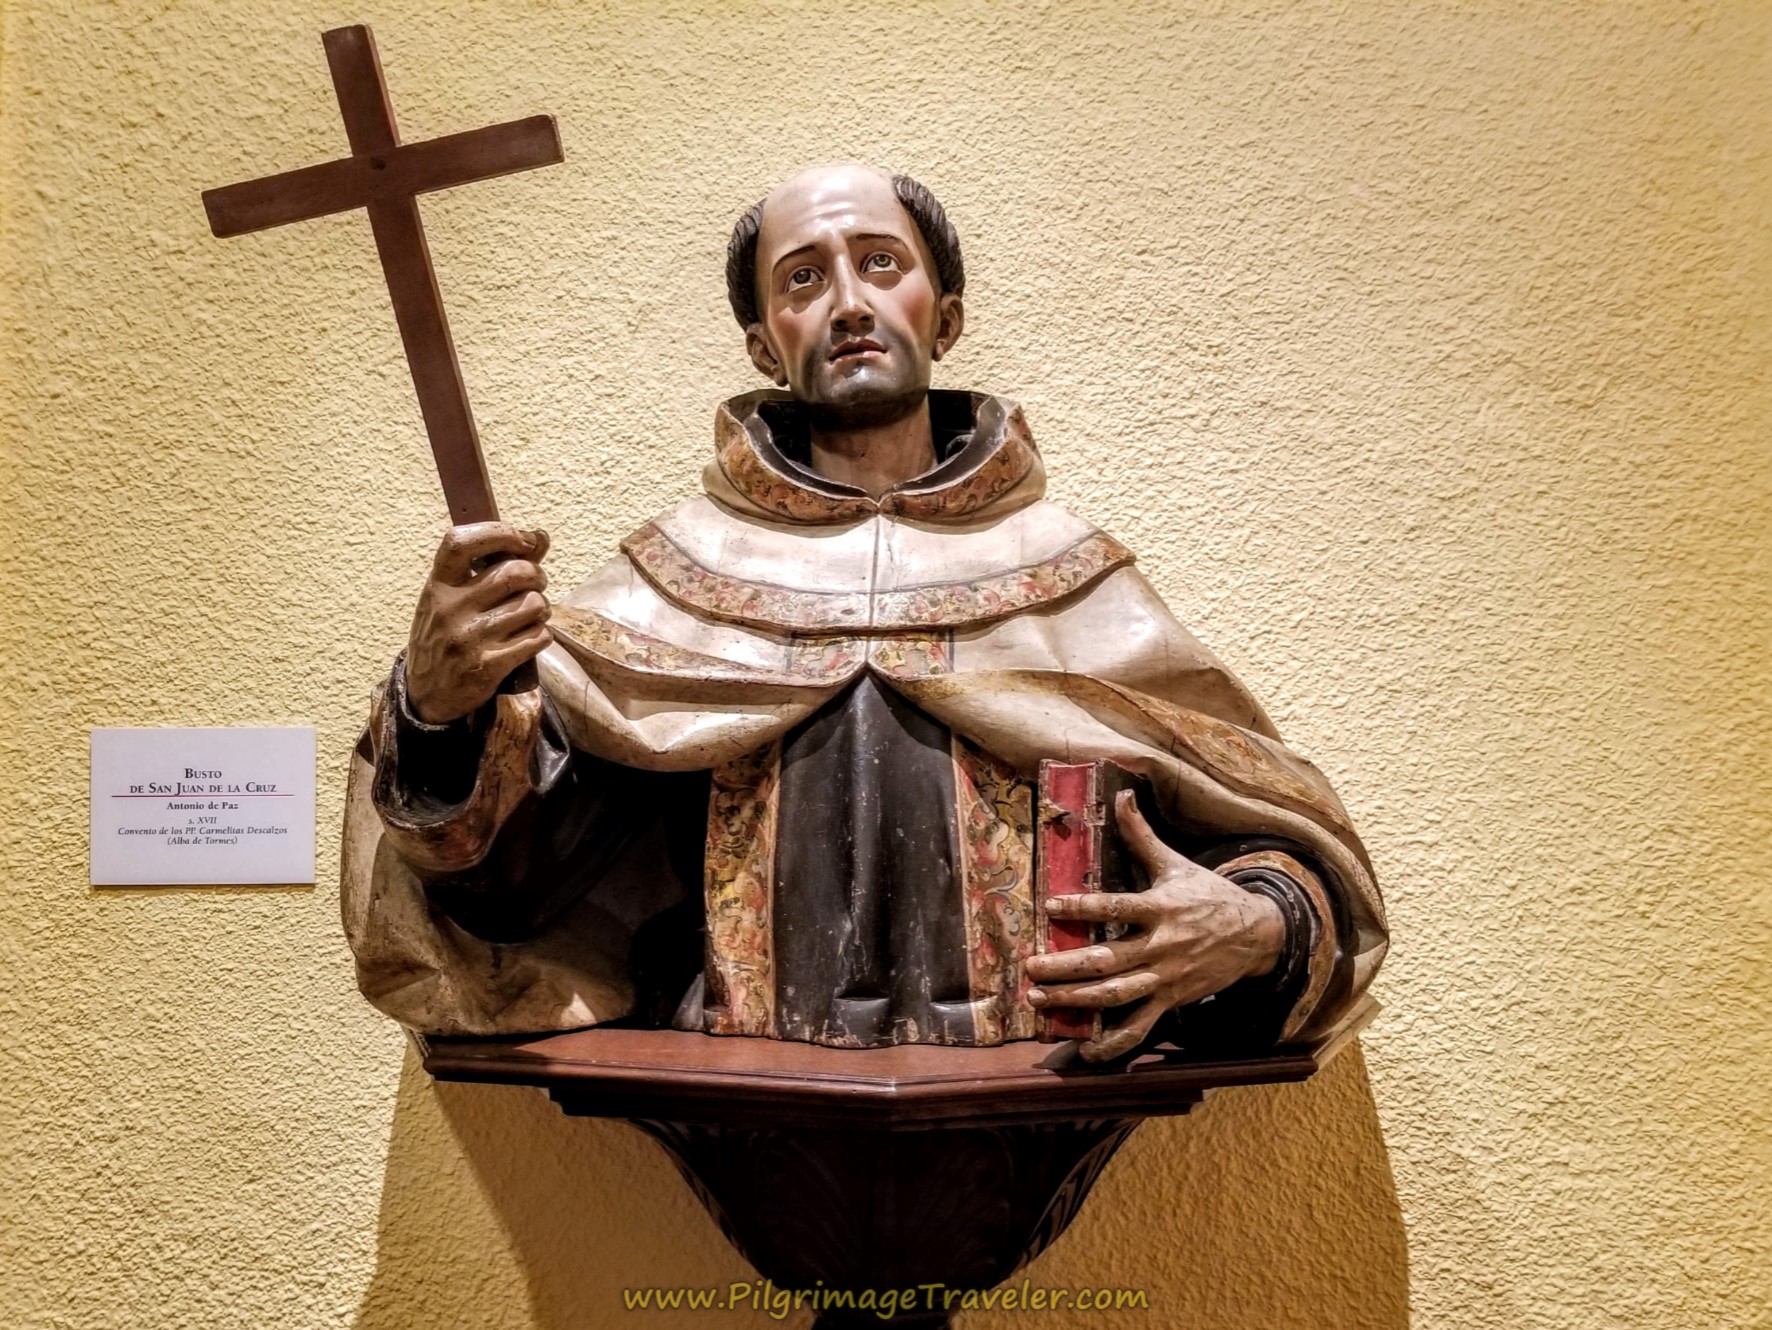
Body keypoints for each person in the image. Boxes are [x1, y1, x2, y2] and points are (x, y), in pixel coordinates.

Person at [340, 164, 1387, 1062]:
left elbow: (1264, 824)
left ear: (947, 313)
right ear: (761, 342)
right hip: (742, 1079)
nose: (846, 300)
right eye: (803, 279)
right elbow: (516, 883)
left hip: (1023, 1085)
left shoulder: (1064, 573)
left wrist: (1259, 921)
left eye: (879, 262)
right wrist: (438, 714)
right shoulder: (672, 580)